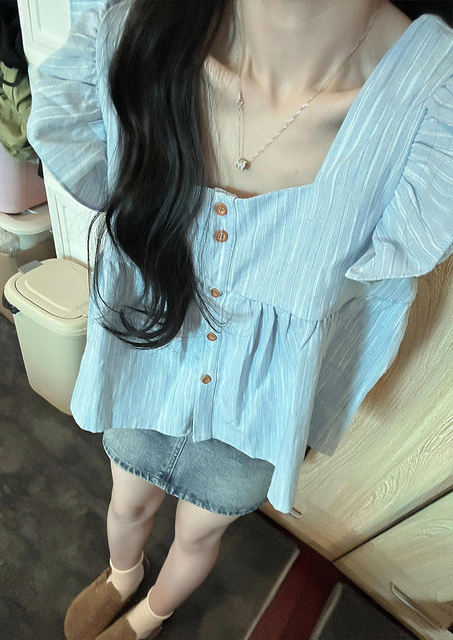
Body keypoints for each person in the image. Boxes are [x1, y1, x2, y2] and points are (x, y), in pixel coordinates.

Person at [27, 0, 453, 638]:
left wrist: (314, 415)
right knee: (126, 503)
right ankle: (122, 574)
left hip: (251, 424)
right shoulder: (130, 36)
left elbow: (372, 310)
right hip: (143, 374)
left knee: (198, 537)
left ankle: (150, 615)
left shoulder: (429, 115)